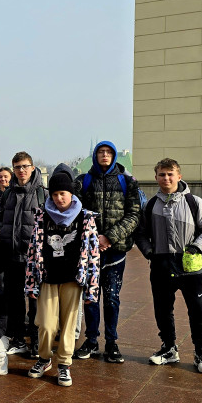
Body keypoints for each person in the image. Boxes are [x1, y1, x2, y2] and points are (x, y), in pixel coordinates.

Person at [134, 158, 202, 374]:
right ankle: (169, 349)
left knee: (198, 310)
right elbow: (141, 234)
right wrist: (149, 252)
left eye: (170, 174)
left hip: (190, 266)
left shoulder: (194, 202)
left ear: (179, 176)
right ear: (156, 178)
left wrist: (196, 248)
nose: (166, 178)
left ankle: (201, 351)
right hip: (161, 264)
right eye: (162, 174)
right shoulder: (151, 205)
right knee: (163, 310)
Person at [24, 164, 100, 388]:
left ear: (71, 194)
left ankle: (64, 364)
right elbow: (32, 251)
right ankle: (44, 358)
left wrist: (92, 288)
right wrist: (31, 284)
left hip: (72, 279)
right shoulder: (41, 216)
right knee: (46, 325)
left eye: (63, 194)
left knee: (68, 325)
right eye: (55, 194)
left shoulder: (85, 218)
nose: (59, 198)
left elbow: (93, 255)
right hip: (47, 277)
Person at [73, 141, 141, 364]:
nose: (105, 155)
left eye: (108, 152)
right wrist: (93, 238)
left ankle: (111, 342)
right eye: (101, 152)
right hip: (90, 252)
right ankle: (91, 340)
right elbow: (75, 211)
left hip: (115, 251)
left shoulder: (126, 181)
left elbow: (133, 216)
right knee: (91, 298)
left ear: (114, 156)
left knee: (112, 298)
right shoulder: (84, 180)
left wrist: (109, 237)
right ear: (95, 155)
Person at [0, 151, 47, 357]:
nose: (21, 170)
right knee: (14, 299)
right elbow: (0, 217)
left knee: (35, 301)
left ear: (33, 168)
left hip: (33, 257)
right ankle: (18, 338)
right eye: (17, 167)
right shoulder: (8, 193)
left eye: (25, 166)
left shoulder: (41, 193)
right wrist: (0, 231)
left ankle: (35, 339)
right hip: (11, 254)